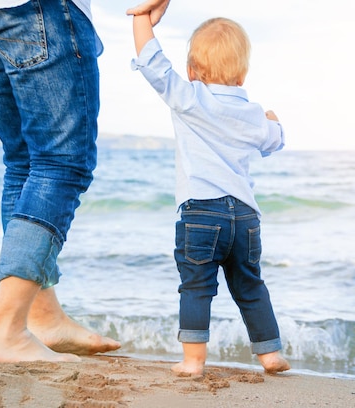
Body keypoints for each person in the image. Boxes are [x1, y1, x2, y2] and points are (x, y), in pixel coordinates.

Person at [0, 0, 170, 363]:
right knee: (61, 163)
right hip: (35, 9)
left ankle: (41, 318)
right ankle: (6, 331)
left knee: (25, 163)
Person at [129, 13, 291, 375]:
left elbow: (153, 64)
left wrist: (142, 18)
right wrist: (274, 120)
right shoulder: (251, 114)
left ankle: (193, 360)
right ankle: (270, 355)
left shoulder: (189, 98)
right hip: (246, 218)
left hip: (201, 211)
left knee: (197, 286)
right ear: (242, 75)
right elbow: (275, 139)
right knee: (250, 286)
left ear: (191, 70)